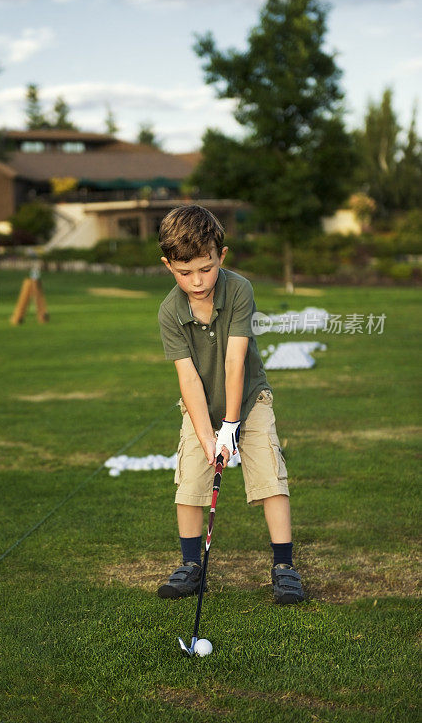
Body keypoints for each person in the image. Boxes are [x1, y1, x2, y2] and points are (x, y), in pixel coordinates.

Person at [156, 205, 304, 604]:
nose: (197, 280)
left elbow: (234, 361)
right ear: (169, 265)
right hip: (200, 407)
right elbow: (188, 378)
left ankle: (284, 567)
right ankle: (191, 566)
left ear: (221, 256)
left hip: (251, 401)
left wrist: (231, 426)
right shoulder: (170, 311)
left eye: (205, 269)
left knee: (271, 479)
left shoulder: (239, 289)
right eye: (184, 272)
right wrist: (208, 437)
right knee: (189, 482)